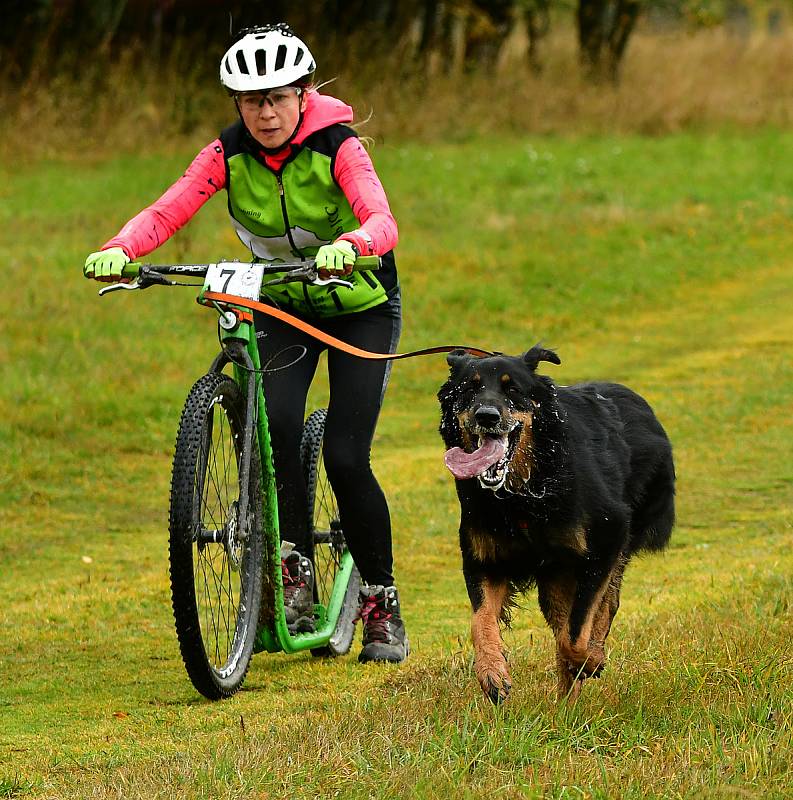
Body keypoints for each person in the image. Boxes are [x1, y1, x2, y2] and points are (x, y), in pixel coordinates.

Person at [83, 23, 408, 664]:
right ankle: (290, 571)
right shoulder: (226, 155)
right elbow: (167, 210)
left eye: (278, 97)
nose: (264, 112)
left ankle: (380, 601)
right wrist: (123, 247)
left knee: (344, 457)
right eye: (251, 100)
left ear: (304, 94)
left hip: (359, 307)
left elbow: (381, 218)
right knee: (273, 428)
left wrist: (353, 246)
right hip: (281, 304)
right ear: (236, 104)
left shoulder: (338, 147)